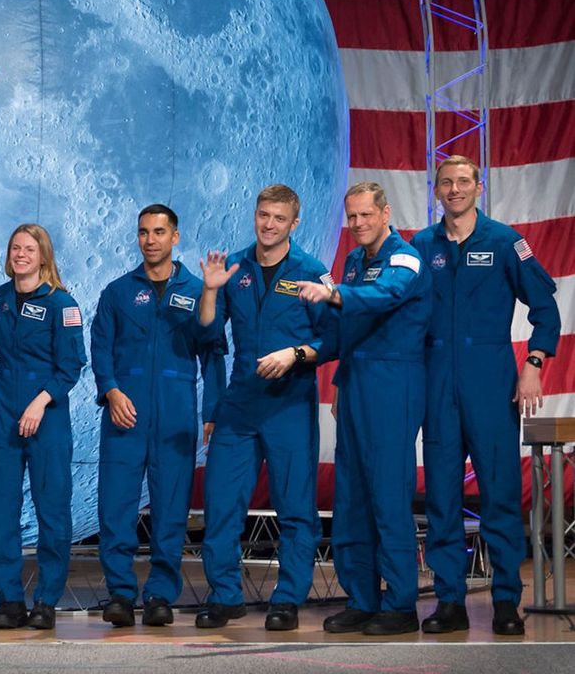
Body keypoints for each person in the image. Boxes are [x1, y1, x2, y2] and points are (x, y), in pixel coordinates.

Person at [411, 155, 560, 636]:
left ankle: (505, 601)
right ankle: (449, 600)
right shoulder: (421, 246)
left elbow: (545, 308)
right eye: (446, 182)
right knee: (441, 497)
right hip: (437, 383)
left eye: (463, 181)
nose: (454, 189)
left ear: (479, 186)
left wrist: (533, 363)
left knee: (499, 493)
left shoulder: (505, 242)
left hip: (491, 384)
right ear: (436, 190)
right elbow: (401, 314)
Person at [193, 185, 331, 631]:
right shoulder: (234, 267)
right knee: (221, 501)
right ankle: (224, 595)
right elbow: (207, 334)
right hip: (241, 402)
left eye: (278, 218)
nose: (268, 225)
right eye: (263, 215)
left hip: (290, 402)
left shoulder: (312, 271)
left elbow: (333, 338)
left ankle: (287, 598)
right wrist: (210, 291)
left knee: (295, 505)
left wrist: (295, 354)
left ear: (295, 222)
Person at [298, 181, 431, 635]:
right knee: (351, 495)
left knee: (388, 494)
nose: (357, 224)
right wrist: (335, 376)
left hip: (394, 383)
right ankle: (362, 598)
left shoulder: (405, 258)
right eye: (351, 216)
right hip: (356, 382)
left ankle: (400, 604)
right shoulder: (354, 262)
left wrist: (333, 294)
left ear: (385, 213)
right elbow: (346, 329)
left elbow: (385, 297)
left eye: (365, 215)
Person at [90, 204, 225, 628]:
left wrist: (212, 410)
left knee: (171, 508)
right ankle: (120, 593)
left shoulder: (198, 290)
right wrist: (111, 391)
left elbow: (213, 349)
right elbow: (100, 347)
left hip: (175, 413)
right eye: (144, 232)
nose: (151, 240)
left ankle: (161, 595)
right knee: (116, 506)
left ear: (175, 237)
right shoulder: (117, 292)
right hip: (124, 413)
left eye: (160, 232)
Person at [0, 224, 86, 630]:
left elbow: (72, 365)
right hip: (4, 413)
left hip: (47, 415)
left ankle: (46, 599)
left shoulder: (62, 303)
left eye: (29, 248)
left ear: (43, 256)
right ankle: (9, 598)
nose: (21, 255)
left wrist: (40, 402)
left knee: (53, 510)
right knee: (1, 511)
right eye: (15, 248)